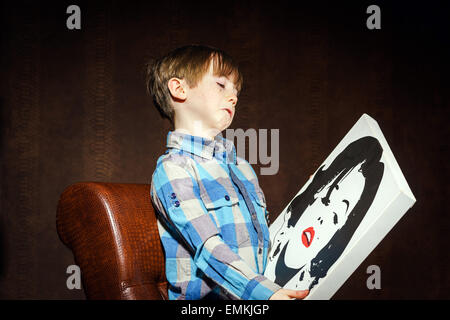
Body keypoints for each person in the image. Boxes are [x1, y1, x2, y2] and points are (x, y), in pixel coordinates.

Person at [146, 44, 309, 300]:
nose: (233, 97)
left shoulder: (242, 168)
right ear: (179, 89)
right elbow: (209, 249)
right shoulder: (174, 170)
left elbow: (263, 246)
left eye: (236, 91)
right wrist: (266, 295)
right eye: (221, 85)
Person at [265, 136, 384, 291]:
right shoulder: (262, 244)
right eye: (325, 200)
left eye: (336, 217)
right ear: (314, 194)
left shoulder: (306, 287)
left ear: (341, 231)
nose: (321, 219)